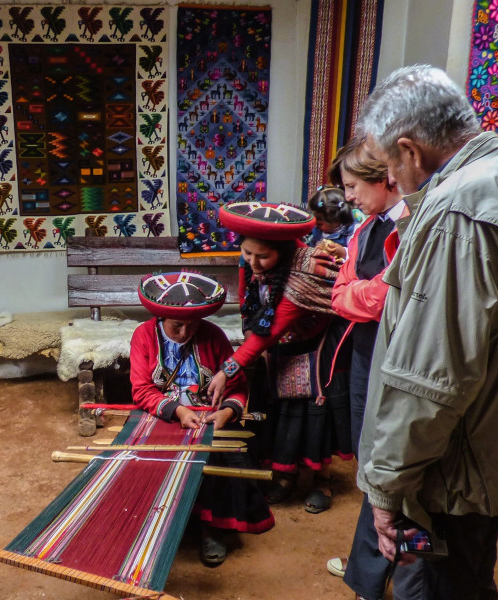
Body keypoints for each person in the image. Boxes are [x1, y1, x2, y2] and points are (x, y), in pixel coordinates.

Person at [357, 64, 498, 600]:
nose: (391, 181)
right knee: (471, 590)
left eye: (389, 166)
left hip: (455, 463)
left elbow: (431, 378)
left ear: (410, 149)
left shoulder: (461, 208)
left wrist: (387, 488)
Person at [323, 137, 418, 600]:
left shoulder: (411, 227)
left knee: (387, 467)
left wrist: (357, 296)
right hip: (365, 356)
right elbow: (343, 294)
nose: (348, 197)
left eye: (353, 186)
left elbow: (387, 297)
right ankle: (369, 562)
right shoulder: (365, 228)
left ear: (385, 179)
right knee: (370, 464)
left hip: (397, 358)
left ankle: (368, 588)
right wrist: (360, 295)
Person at [208, 202, 352, 514]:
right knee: (279, 413)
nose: (253, 262)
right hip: (276, 348)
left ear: (283, 252)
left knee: (313, 415)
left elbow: (270, 331)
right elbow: (248, 307)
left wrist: (227, 370)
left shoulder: (304, 274)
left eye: (262, 256)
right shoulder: (249, 262)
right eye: (247, 253)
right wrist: (251, 338)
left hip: (314, 351)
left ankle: (321, 480)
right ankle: (286, 475)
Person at [130, 270, 274, 566]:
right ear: (161, 317)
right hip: (163, 415)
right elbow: (141, 389)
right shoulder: (143, 336)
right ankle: (157, 524)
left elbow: (237, 387)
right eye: (177, 326)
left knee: (218, 458)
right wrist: (178, 411)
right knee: (145, 456)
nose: (185, 332)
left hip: (209, 418)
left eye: (193, 324)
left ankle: (211, 527)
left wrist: (226, 412)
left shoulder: (214, 336)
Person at [307, 185, 356, 260]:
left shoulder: (351, 232)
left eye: (320, 224)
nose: (315, 225)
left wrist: (344, 252)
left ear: (336, 222)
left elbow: (358, 256)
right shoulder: (315, 231)